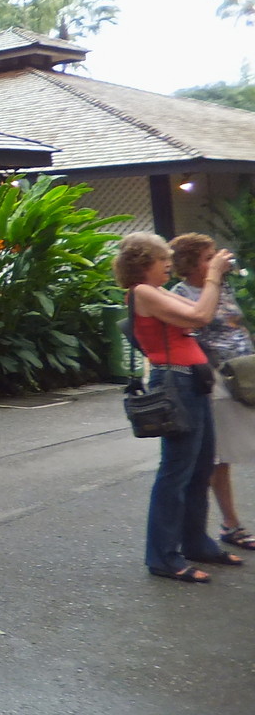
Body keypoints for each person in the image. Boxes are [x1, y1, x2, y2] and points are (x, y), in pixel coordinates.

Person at [114, 233, 236, 582]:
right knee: (176, 471)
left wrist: (213, 279)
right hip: (177, 384)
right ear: (143, 264)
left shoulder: (157, 291)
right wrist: (213, 275)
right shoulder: (143, 292)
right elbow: (200, 315)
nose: (168, 265)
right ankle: (163, 556)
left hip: (192, 383)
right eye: (162, 260)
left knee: (200, 468)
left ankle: (196, 542)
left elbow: (200, 311)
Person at [170, 233, 255, 552]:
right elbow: (198, 324)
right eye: (208, 258)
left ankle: (212, 528)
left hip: (244, 371)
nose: (216, 261)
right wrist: (215, 277)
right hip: (216, 378)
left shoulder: (226, 286)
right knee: (218, 456)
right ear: (191, 264)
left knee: (229, 452)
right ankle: (224, 525)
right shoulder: (180, 294)